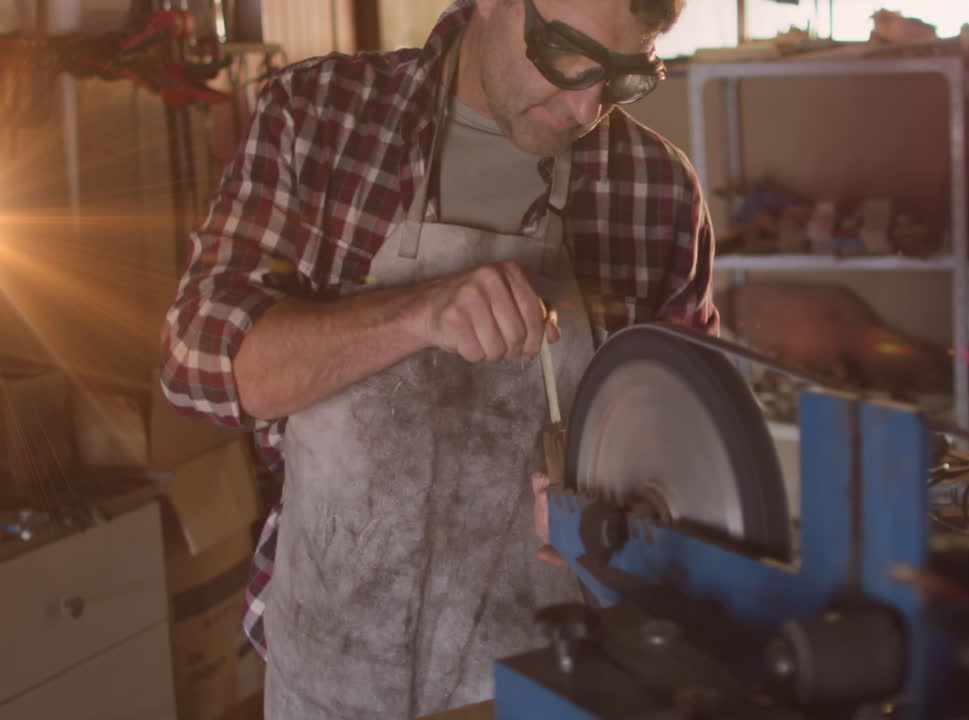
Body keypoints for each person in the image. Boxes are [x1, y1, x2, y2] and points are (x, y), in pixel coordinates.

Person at [159, 0, 718, 717]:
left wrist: (616, 510)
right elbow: (199, 361)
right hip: (329, 660)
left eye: (621, 76)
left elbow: (695, 454)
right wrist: (418, 313)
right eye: (565, 55)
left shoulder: (657, 194)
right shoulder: (320, 118)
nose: (584, 107)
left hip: (544, 677)